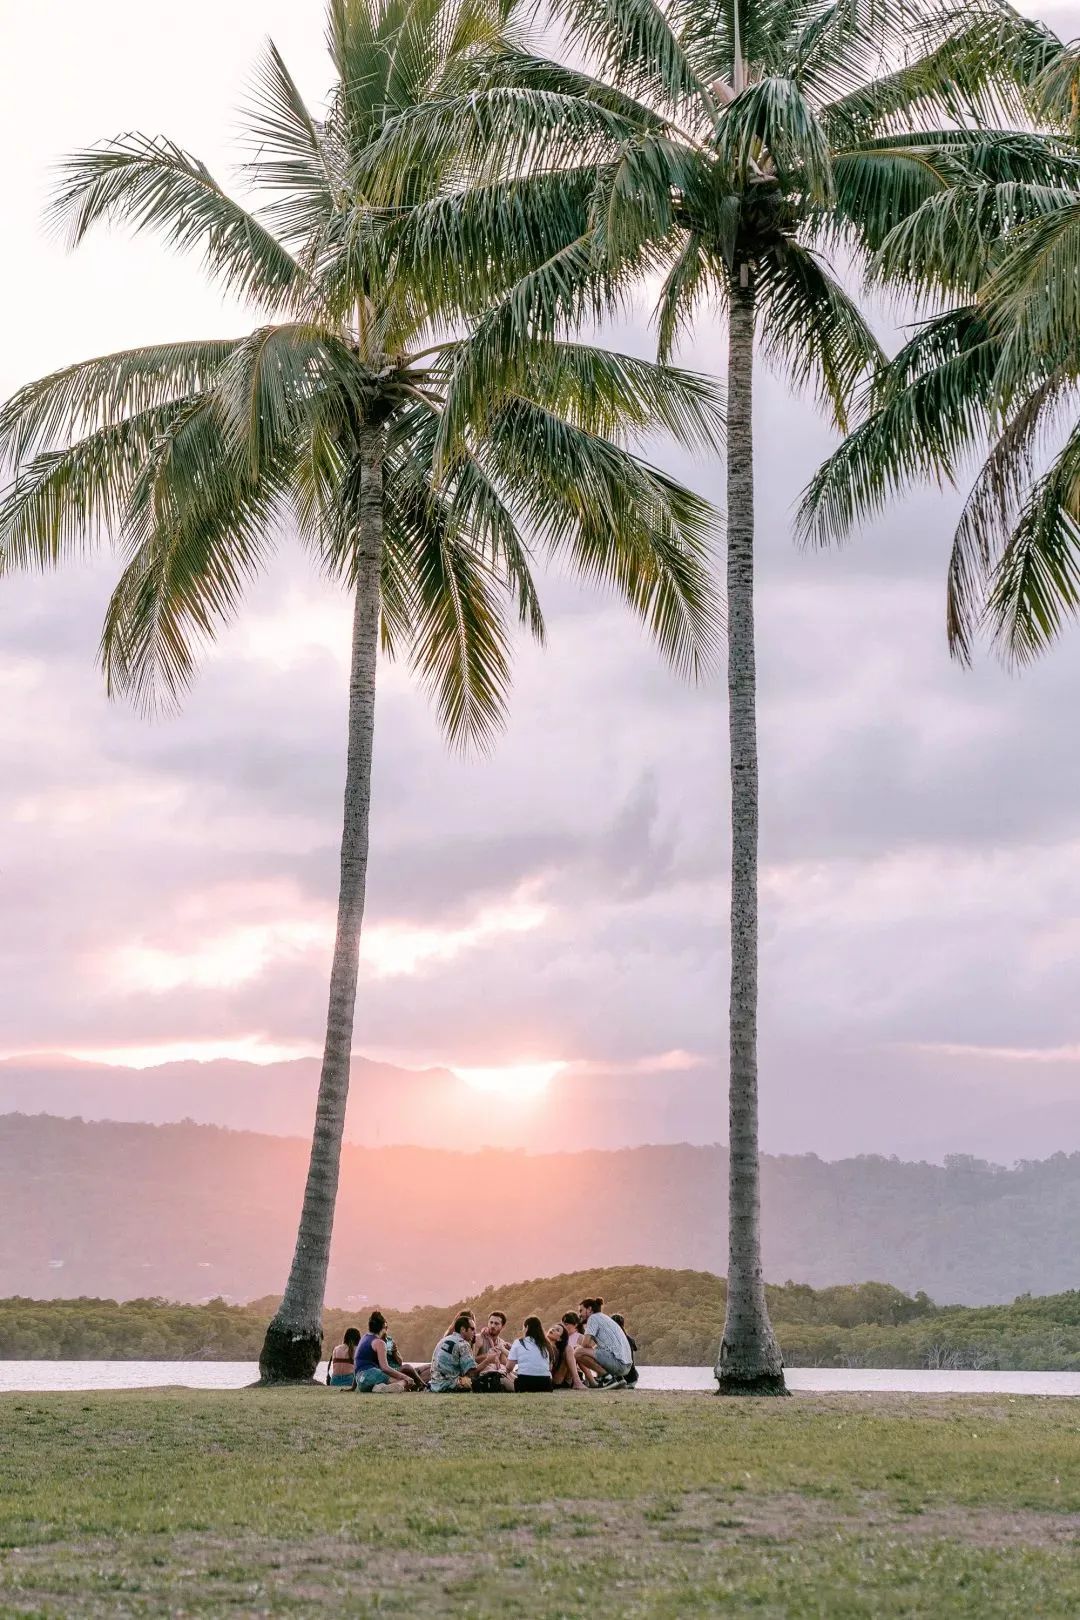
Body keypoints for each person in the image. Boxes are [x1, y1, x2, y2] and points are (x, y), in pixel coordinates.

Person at [428, 1312, 497, 1392]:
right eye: (472, 1329)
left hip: (435, 1385)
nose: (474, 1332)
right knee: (477, 1381)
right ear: (463, 1329)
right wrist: (488, 1360)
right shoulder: (463, 1344)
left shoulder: (444, 1340)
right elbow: (472, 1373)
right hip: (449, 1385)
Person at [576, 1296, 633, 1385]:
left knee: (578, 1352)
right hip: (626, 1366)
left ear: (589, 1309)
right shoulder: (604, 1318)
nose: (579, 1314)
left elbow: (585, 1344)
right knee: (594, 1350)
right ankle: (617, 1379)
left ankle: (607, 1379)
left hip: (619, 1364)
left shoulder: (593, 1318)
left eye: (581, 1311)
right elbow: (591, 1346)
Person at [354, 1311, 412, 1393]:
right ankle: (382, 1388)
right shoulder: (379, 1343)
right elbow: (385, 1368)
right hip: (371, 1375)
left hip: (360, 1382)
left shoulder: (364, 1338)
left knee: (400, 1380)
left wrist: (353, 1387)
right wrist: (405, 1377)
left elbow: (357, 1365)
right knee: (406, 1382)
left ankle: (379, 1387)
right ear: (383, 1327)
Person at [507, 1316, 554, 1392]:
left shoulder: (519, 1342)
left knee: (507, 1374)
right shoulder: (546, 1344)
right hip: (546, 1385)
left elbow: (509, 1367)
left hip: (525, 1385)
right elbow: (549, 1368)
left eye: (523, 1328)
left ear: (527, 1327)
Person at [476, 1310, 515, 1392]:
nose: (492, 1326)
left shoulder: (501, 1343)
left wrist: (510, 1351)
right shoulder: (478, 1338)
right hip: (482, 1375)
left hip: (497, 1374)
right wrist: (488, 1357)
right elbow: (471, 1360)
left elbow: (504, 1365)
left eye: (496, 1323)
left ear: (502, 1326)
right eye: (491, 1322)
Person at [549, 1312, 589, 1390]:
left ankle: (580, 1381)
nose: (564, 1326)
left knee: (573, 1349)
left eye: (566, 1324)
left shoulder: (580, 1337)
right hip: (555, 1372)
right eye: (562, 1323)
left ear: (576, 1325)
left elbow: (584, 1359)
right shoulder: (553, 1340)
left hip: (571, 1372)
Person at [611, 1313, 639, 1386]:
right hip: (633, 1377)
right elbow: (635, 1348)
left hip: (622, 1377)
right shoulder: (630, 1339)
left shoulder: (612, 1340)